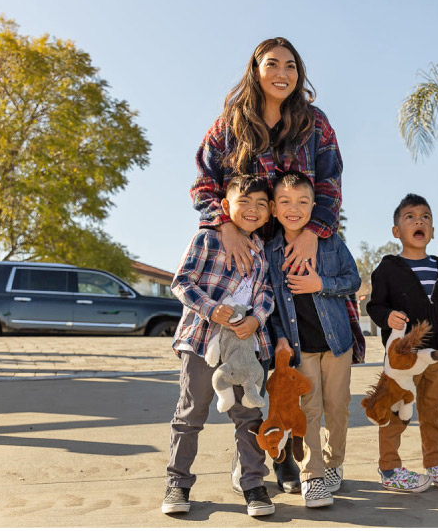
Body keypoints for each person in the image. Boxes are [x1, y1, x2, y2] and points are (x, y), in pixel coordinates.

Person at [188, 37, 366, 494]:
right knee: (256, 359)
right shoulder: (229, 124)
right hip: (244, 256)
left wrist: (312, 233)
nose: (282, 72)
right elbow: (204, 181)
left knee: (296, 357)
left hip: (297, 249)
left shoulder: (315, 123)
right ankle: (261, 453)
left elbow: (330, 183)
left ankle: (297, 458)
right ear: (256, 68)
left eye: (291, 65)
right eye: (272, 64)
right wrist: (224, 225)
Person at [162, 175, 277, 517]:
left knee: (249, 415)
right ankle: (177, 484)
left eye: (260, 203)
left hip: (244, 348)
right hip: (201, 342)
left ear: (269, 211)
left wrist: (257, 318)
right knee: (191, 413)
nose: (252, 210)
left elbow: (266, 294)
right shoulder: (207, 238)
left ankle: (254, 484)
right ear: (226, 206)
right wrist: (214, 310)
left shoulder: (262, 253)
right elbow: (181, 282)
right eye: (244, 201)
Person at [265, 171, 361, 508]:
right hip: (300, 347)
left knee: (338, 409)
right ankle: (313, 476)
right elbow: (272, 308)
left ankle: (334, 463)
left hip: (337, 344)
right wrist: (279, 339)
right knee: (309, 411)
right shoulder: (270, 252)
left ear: (313, 207)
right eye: (286, 202)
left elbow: (353, 279)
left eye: (303, 202)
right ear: (274, 209)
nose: (295, 208)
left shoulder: (331, 242)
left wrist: (322, 284)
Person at [367, 194, 438, 492]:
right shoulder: (387, 268)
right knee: (395, 412)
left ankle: (435, 464)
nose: (419, 221)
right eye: (410, 216)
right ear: (396, 231)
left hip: (437, 357)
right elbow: (374, 307)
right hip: (403, 360)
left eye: (425, 217)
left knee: (433, 412)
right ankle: (390, 468)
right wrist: (387, 316)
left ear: (433, 231)